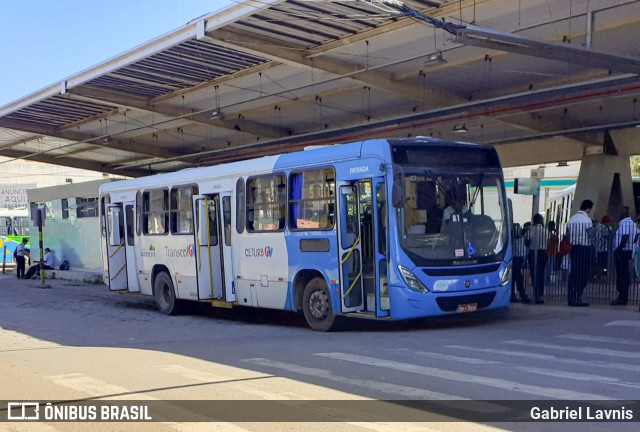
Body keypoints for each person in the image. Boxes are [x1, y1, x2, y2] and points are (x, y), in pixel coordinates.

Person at [566, 199, 594, 307]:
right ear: (588, 208)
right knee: (582, 274)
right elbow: (591, 236)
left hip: (574, 249)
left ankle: (571, 296)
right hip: (584, 248)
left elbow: (567, 235)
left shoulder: (571, 220)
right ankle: (578, 296)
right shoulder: (587, 220)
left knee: (574, 273)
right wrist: (595, 229)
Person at [611, 207, 638, 306]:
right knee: (625, 276)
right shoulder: (633, 224)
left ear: (623, 214)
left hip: (622, 252)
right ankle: (623, 296)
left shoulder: (625, 223)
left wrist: (618, 250)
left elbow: (625, 237)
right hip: (629, 251)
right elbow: (636, 236)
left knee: (621, 276)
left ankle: (622, 297)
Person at [525, 213, 548, 304]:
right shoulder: (546, 230)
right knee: (541, 274)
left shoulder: (530, 230)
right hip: (543, 252)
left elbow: (527, 242)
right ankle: (540, 295)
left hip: (533, 252)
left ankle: (536, 293)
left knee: (534, 274)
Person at [511, 223, 532, 303]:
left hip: (519, 259)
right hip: (515, 259)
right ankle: (521, 295)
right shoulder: (513, 240)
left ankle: (516, 295)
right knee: (517, 278)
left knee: (516, 278)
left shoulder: (523, 238)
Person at [595, 215, 612, 280]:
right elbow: (609, 236)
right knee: (604, 264)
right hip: (603, 249)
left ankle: (600, 274)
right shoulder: (604, 228)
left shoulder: (598, 227)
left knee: (600, 263)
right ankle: (603, 275)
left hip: (599, 249)